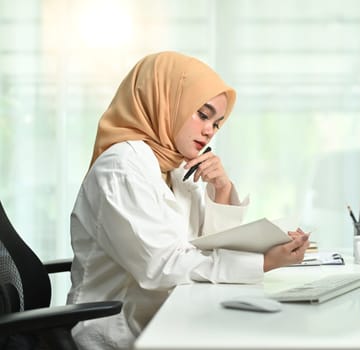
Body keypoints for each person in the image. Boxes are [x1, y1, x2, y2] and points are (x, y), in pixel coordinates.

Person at [66, 51, 310, 350]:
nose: (209, 131)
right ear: (165, 102)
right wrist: (263, 262)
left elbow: (209, 246)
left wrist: (222, 188)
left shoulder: (175, 166)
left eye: (217, 123)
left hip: (172, 319)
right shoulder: (122, 166)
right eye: (203, 115)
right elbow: (162, 268)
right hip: (120, 335)